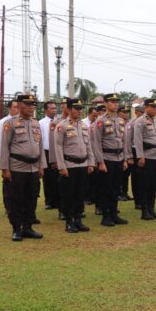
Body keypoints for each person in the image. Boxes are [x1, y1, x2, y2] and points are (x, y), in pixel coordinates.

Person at [0, 94, 45, 242]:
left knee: (31, 199)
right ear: (19, 105)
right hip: (17, 168)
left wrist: (41, 166)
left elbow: (40, 146)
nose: (31, 107)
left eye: (33, 104)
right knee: (15, 200)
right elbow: (4, 147)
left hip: (33, 168)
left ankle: (28, 227)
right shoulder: (10, 123)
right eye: (28, 104)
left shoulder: (36, 123)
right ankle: (16, 229)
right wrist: (5, 168)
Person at [54, 98, 95, 233]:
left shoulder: (83, 125)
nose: (79, 111)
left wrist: (91, 162)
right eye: (76, 108)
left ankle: (78, 220)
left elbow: (88, 145)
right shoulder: (62, 126)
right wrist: (62, 167)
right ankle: (69, 222)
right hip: (69, 165)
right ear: (69, 109)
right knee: (68, 195)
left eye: (81, 108)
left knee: (80, 194)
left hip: (83, 164)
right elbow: (58, 147)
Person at [90, 93, 130, 227]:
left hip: (119, 158)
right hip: (107, 159)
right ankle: (106, 216)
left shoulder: (120, 120)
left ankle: (114, 214)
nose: (115, 104)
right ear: (106, 103)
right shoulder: (100, 121)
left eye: (117, 101)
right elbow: (96, 142)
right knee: (106, 188)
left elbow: (124, 141)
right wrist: (100, 162)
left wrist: (125, 159)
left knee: (116, 188)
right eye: (112, 101)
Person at [133, 98, 156, 220]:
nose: (155, 109)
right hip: (147, 157)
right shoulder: (140, 121)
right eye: (152, 107)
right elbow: (138, 140)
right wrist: (140, 156)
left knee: (155, 185)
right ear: (146, 108)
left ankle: (151, 209)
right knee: (145, 185)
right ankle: (145, 211)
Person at [0, 99, 20, 214]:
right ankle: (8, 206)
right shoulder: (3, 122)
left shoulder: (22, 121)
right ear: (9, 108)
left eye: (19, 107)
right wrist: (1, 161)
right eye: (15, 107)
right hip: (7, 158)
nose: (17, 109)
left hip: (19, 159)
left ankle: (19, 206)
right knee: (8, 183)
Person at [39, 101, 59, 211]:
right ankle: (49, 201)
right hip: (46, 152)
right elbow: (40, 140)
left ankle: (58, 200)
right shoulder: (41, 123)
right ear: (46, 110)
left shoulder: (60, 122)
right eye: (51, 108)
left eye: (55, 108)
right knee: (48, 177)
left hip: (58, 152)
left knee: (58, 177)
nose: (54, 110)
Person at [125, 104, 144, 210]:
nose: (143, 114)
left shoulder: (146, 122)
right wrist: (129, 156)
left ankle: (144, 200)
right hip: (134, 152)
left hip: (144, 152)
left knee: (145, 178)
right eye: (141, 112)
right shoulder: (131, 123)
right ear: (136, 112)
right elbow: (128, 140)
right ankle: (138, 201)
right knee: (136, 178)